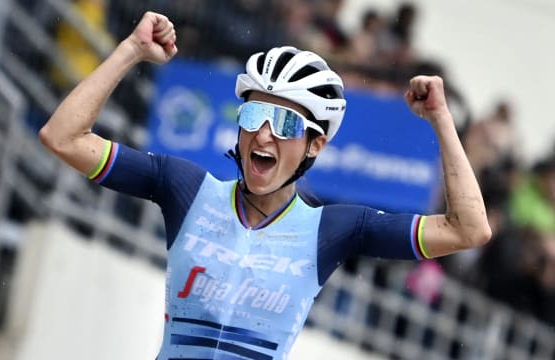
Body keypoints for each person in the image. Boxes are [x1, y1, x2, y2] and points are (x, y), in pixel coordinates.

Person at [38, 11, 491, 360]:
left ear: (315, 146)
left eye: (286, 122)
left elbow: (469, 229)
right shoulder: (185, 187)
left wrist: (441, 119)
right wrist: (131, 51)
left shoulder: (332, 230)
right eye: (254, 115)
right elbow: (63, 137)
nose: (264, 133)